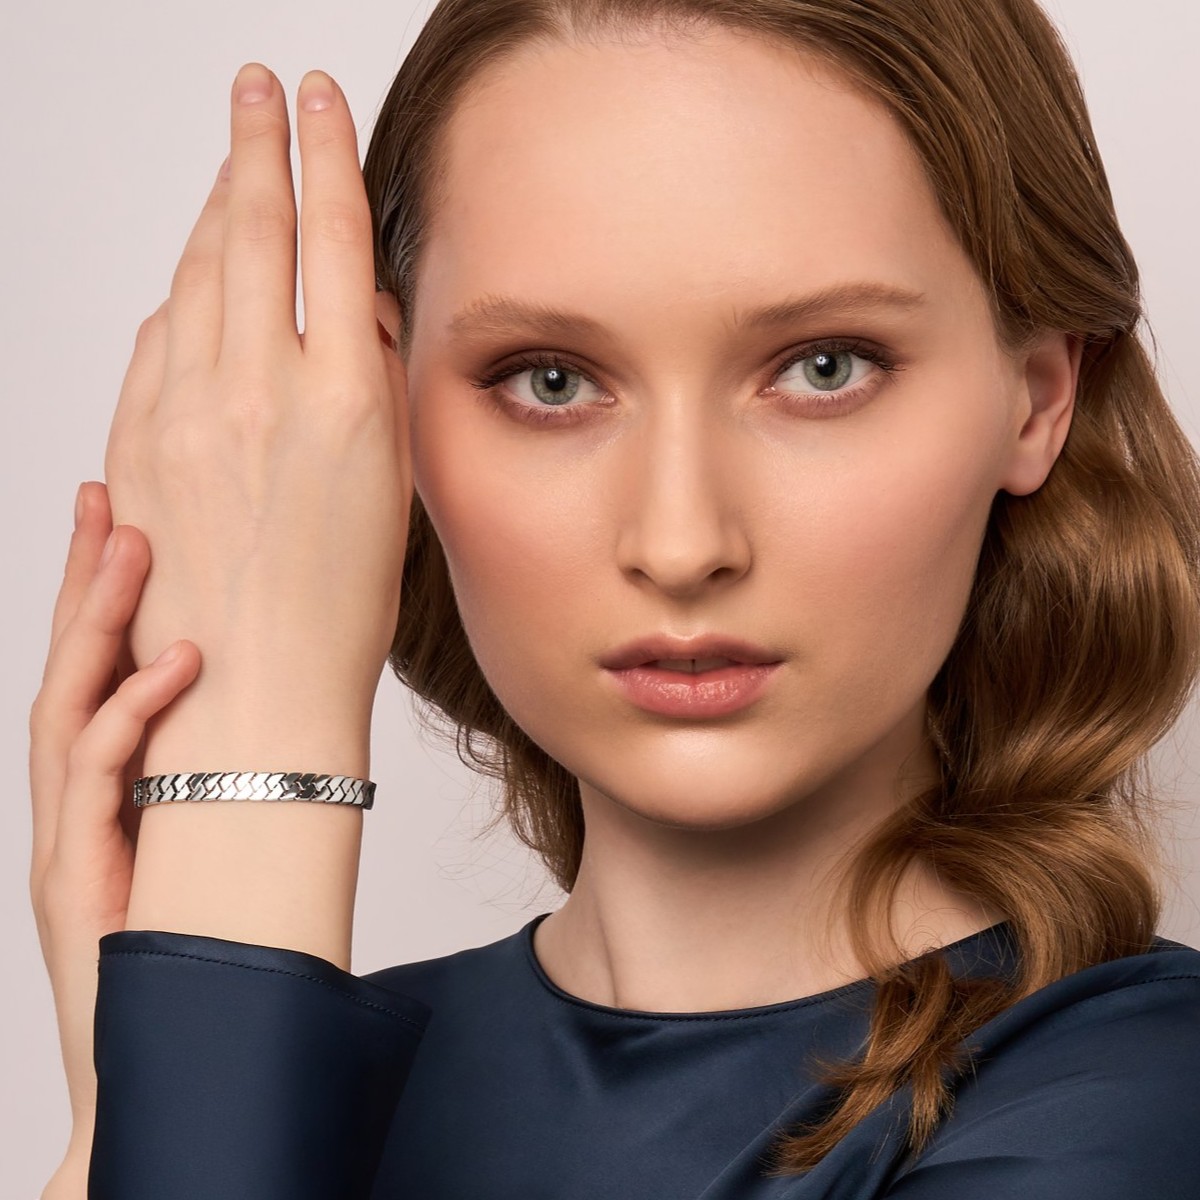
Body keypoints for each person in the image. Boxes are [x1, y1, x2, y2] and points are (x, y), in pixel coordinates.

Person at [27, 0, 1200, 1196]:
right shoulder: (300, 1075)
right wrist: (136, 1099)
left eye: (823, 367)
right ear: (380, 417)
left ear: (1037, 397)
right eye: (550, 381)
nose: (681, 544)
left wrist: (240, 828)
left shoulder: (1144, 1098)